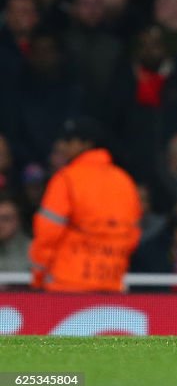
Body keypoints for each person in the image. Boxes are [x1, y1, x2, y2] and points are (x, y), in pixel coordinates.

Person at [28, 118, 142, 292]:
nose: (62, 146)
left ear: (86, 144)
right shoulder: (124, 180)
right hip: (110, 283)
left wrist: (38, 276)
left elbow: (47, 233)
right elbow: (132, 233)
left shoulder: (66, 179)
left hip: (66, 284)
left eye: (68, 141)